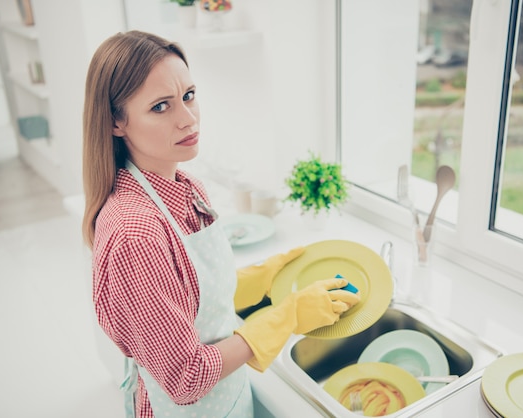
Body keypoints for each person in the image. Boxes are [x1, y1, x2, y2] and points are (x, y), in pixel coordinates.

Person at [81, 30, 360, 418]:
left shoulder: (185, 185)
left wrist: (260, 278)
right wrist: (286, 316)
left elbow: (187, 295)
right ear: (116, 122)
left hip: (227, 400)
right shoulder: (135, 232)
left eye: (189, 96)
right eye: (161, 107)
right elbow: (184, 378)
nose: (188, 118)